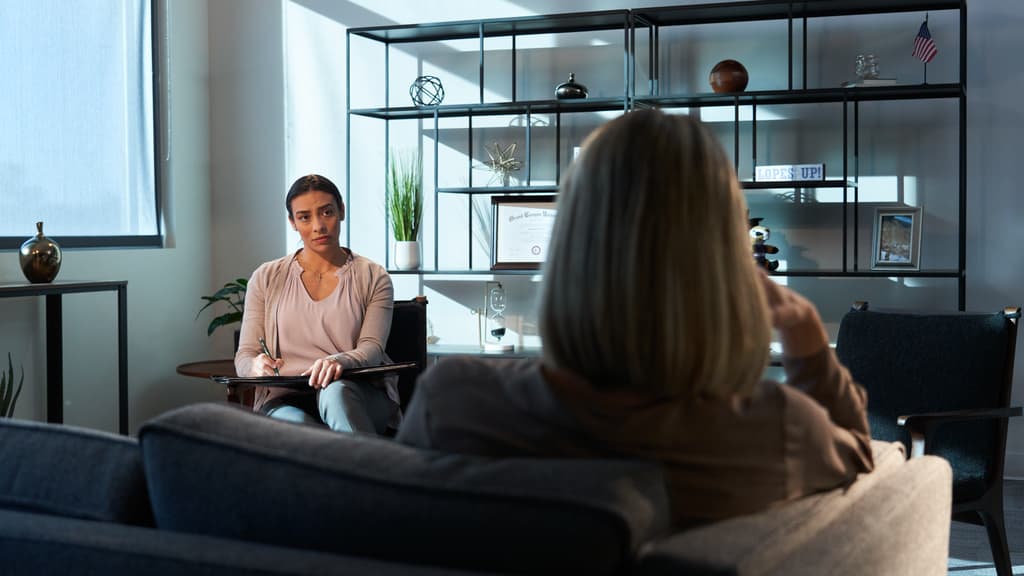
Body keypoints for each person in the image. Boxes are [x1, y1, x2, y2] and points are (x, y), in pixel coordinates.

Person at [396, 110, 874, 526]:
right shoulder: (775, 430)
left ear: (569, 246)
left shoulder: (455, 402)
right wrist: (805, 333)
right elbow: (862, 461)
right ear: (722, 262)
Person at [235, 174, 400, 435]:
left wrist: (340, 361)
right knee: (300, 430)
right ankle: (367, 470)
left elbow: (373, 347)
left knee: (335, 394)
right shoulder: (265, 277)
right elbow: (244, 355)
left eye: (327, 212)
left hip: (353, 392)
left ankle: (356, 469)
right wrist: (254, 366)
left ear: (341, 211)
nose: (318, 226)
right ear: (292, 222)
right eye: (305, 217)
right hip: (284, 400)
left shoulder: (373, 276)